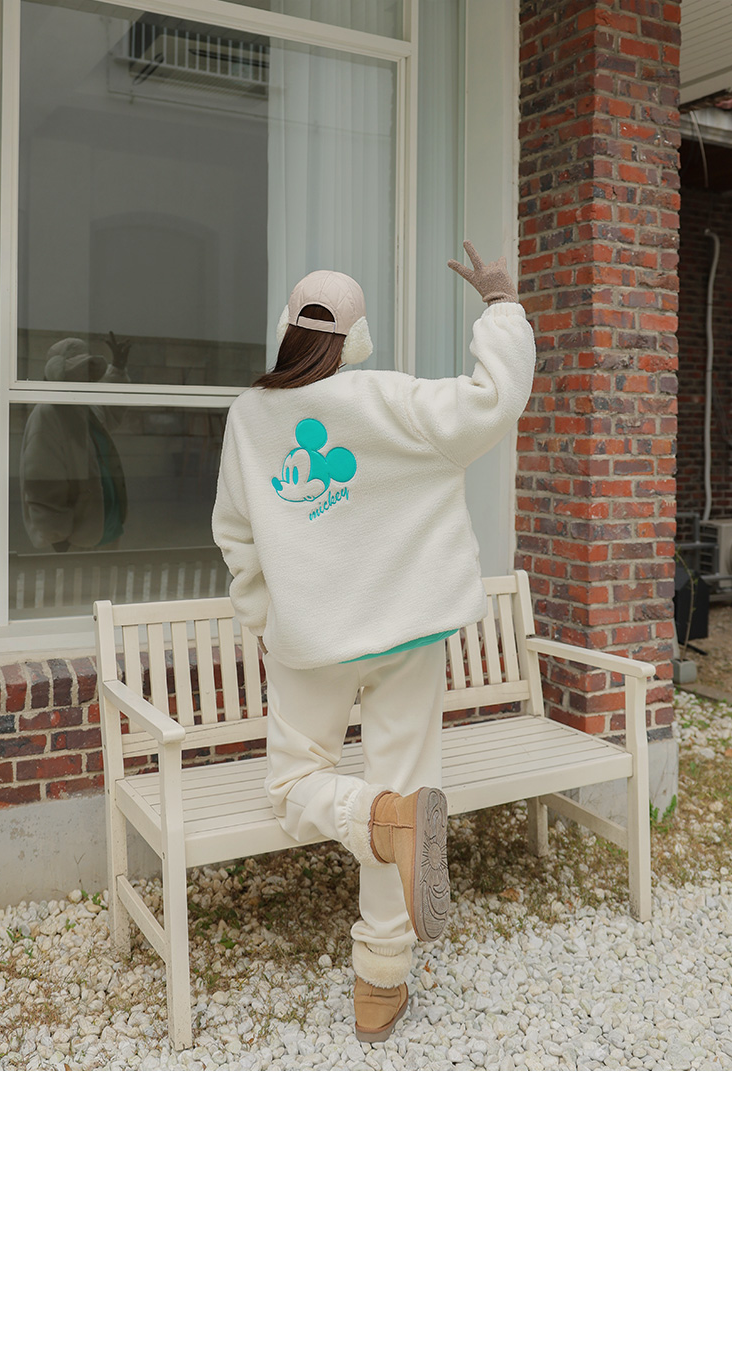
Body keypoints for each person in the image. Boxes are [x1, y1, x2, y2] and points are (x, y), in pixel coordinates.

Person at [212, 248, 536, 1044]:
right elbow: (495, 399)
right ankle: (380, 980)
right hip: (408, 632)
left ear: (284, 329)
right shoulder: (396, 402)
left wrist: (266, 615)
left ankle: (379, 818)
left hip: (311, 641)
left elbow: (235, 534)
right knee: (406, 783)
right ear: (358, 341)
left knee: (294, 787)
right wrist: (500, 305)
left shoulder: (250, 417)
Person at [20, 332, 131, 553]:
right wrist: (58, 537)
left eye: (86, 371)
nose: (84, 378)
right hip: (79, 538)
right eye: (77, 371)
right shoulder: (48, 414)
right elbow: (43, 482)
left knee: (107, 576)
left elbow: (111, 408)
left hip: (106, 529)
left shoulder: (85, 406)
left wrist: (117, 370)